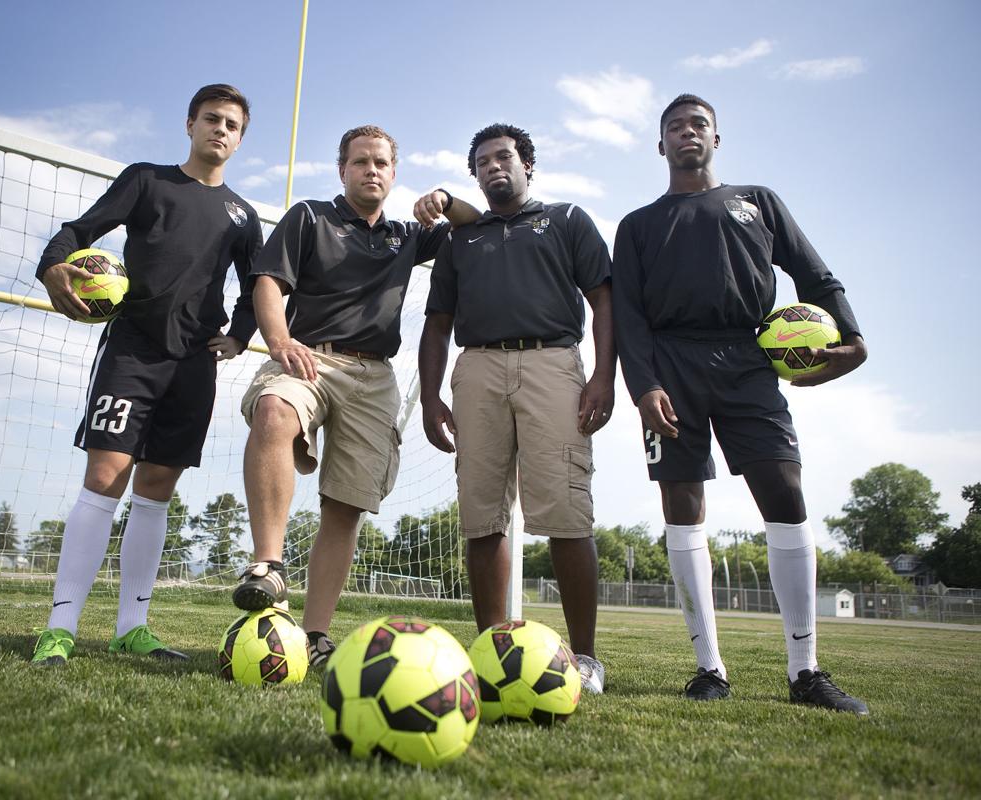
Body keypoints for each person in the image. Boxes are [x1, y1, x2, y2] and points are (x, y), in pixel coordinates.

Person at [612, 94, 869, 713]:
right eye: (674, 126)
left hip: (751, 360)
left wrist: (853, 337)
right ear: (660, 145)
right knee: (682, 505)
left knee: (785, 493)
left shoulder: (757, 201)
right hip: (670, 366)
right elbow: (629, 318)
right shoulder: (638, 225)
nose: (687, 133)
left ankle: (805, 671)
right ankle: (709, 669)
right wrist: (643, 387)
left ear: (716, 139)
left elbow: (815, 273)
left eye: (698, 124)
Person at [29, 84, 261, 666]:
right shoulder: (147, 180)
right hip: (132, 350)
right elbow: (78, 230)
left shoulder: (242, 215)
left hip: (193, 364)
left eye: (232, 125)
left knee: (156, 488)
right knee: (105, 476)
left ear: (240, 138)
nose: (221, 131)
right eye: (212, 119)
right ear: (190, 124)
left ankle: (133, 625)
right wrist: (53, 265)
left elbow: (257, 284)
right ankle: (60, 629)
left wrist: (238, 333)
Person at [233, 124, 479, 668]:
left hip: (374, 376)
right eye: (361, 162)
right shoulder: (310, 216)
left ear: (393, 174)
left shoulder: (406, 235)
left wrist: (445, 198)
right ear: (342, 169)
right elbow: (268, 283)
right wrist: (279, 341)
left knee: (344, 506)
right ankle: (268, 566)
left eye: (382, 164)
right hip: (308, 355)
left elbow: (477, 224)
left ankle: (316, 635)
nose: (372, 170)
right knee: (274, 410)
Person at [419, 123, 616, 694]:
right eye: (481, 162)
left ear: (528, 164)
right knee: (483, 516)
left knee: (564, 512)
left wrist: (604, 375)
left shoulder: (568, 219)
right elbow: (437, 323)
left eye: (503, 157)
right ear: (474, 175)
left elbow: (603, 298)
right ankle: (492, 652)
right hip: (477, 368)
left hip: (552, 363)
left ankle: (586, 656)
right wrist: (431, 396)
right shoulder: (463, 238)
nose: (493, 167)